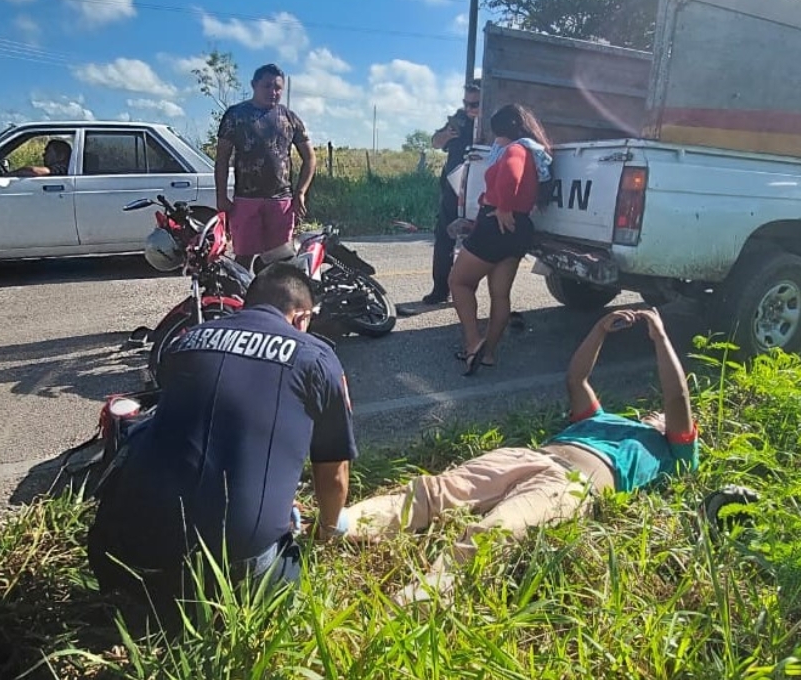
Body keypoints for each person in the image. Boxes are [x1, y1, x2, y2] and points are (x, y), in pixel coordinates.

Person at [343, 308, 697, 603]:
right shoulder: (603, 418)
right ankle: (341, 523)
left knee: (497, 530)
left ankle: (424, 595)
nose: (658, 413)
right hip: (528, 457)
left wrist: (660, 338)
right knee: (435, 491)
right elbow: (577, 379)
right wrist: (599, 330)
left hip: (571, 485)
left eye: (664, 416)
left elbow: (677, 397)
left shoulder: (672, 451)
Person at [87, 263, 357, 622]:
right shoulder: (315, 357)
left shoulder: (188, 341)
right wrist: (326, 531)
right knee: (287, 565)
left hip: (125, 557)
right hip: (232, 574)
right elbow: (334, 474)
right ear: (301, 317)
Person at [450, 103, 553, 375]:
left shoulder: (516, 149)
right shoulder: (533, 151)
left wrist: (504, 205)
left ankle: (474, 342)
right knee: (500, 294)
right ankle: (489, 354)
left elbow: (510, 174)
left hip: (496, 223)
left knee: (459, 282)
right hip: (519, 228)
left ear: (504, 130)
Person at [215, 63, 316, 270]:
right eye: (267, 86)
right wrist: (221, 196)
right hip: (246, 201)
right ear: (254, 85)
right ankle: (240, 301)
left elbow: (310, 158)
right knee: (243, 260)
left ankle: (275, 301)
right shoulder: (235, 115)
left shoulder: (290, 118)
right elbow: (222, 158)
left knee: (280, 261)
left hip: (281, 201)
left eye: (278, 88)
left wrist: (301, 193)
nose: (273, 92)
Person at [419, 80, 481, 306]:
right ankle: (440, 290)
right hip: (453, 189)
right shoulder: (459, 119)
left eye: (474, 104)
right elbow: (435, 142)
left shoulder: (496, 122)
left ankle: (465, 290)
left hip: (483, 191)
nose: (468, 109)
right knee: (444, 238)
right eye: (466, 103)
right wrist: (447, 134)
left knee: (478, 244)